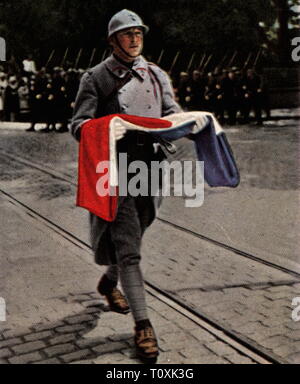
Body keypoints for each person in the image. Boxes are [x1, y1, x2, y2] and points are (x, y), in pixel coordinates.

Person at [71, 9, 181, 363]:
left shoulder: (156, 74)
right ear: (112, 41)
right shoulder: (97, 78)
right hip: (115, 171)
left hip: (150, 168)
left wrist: (183, 124)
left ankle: (108, 282)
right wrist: (105, 129)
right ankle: (143, 325)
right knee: (130, 248)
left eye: (138, 33)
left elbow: (170, 110)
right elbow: (78, 124)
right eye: (127, 34)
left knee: (137, 232)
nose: (134, 39)